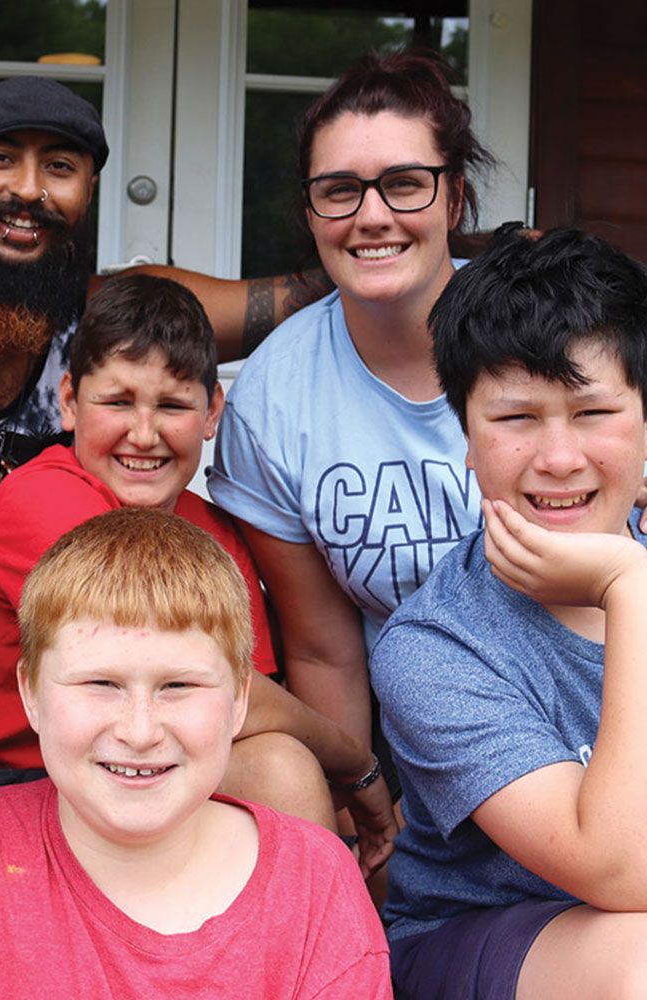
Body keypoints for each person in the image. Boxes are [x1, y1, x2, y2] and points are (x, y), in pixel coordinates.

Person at [0, 273, 397, 870]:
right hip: (11, 780)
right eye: (117, 402)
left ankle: (325, 954)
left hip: (145, 758)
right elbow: (203, 678)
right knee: (284, 771)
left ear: (212, 411)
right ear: (67, 402)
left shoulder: (213, 532)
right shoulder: (42, 500)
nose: (143, 434)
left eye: (172, 404)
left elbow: (240, 703)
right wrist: (355, 765)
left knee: (278, 763)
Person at [0, 75, 334, 577]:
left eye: (59, 167)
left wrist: (387, 237)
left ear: (89, 190)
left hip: (63, 639)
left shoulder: (112, 320)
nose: (30, 188)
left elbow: (303, 295)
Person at [0, 507, 393, 999]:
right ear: (31, 693)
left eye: (178, 686)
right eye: (101, 683)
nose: (140, 731)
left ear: (239, 700)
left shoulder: (316, 879)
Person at [370, 227, 647, 998]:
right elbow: (620, 870)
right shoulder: (434, 647)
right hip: (486, 944)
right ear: (464, 434)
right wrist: (633, 588)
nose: (559, 458)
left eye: (593, 412)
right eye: (518, 418)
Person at [208, 51, 496, 788]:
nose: (371, 217)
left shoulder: (545, 334)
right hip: (415, 734)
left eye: (404, 184)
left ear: (453, 198)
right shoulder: (276, 396)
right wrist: (360, 800)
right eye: (340, 191)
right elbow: (325, 648)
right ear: (311, 212)